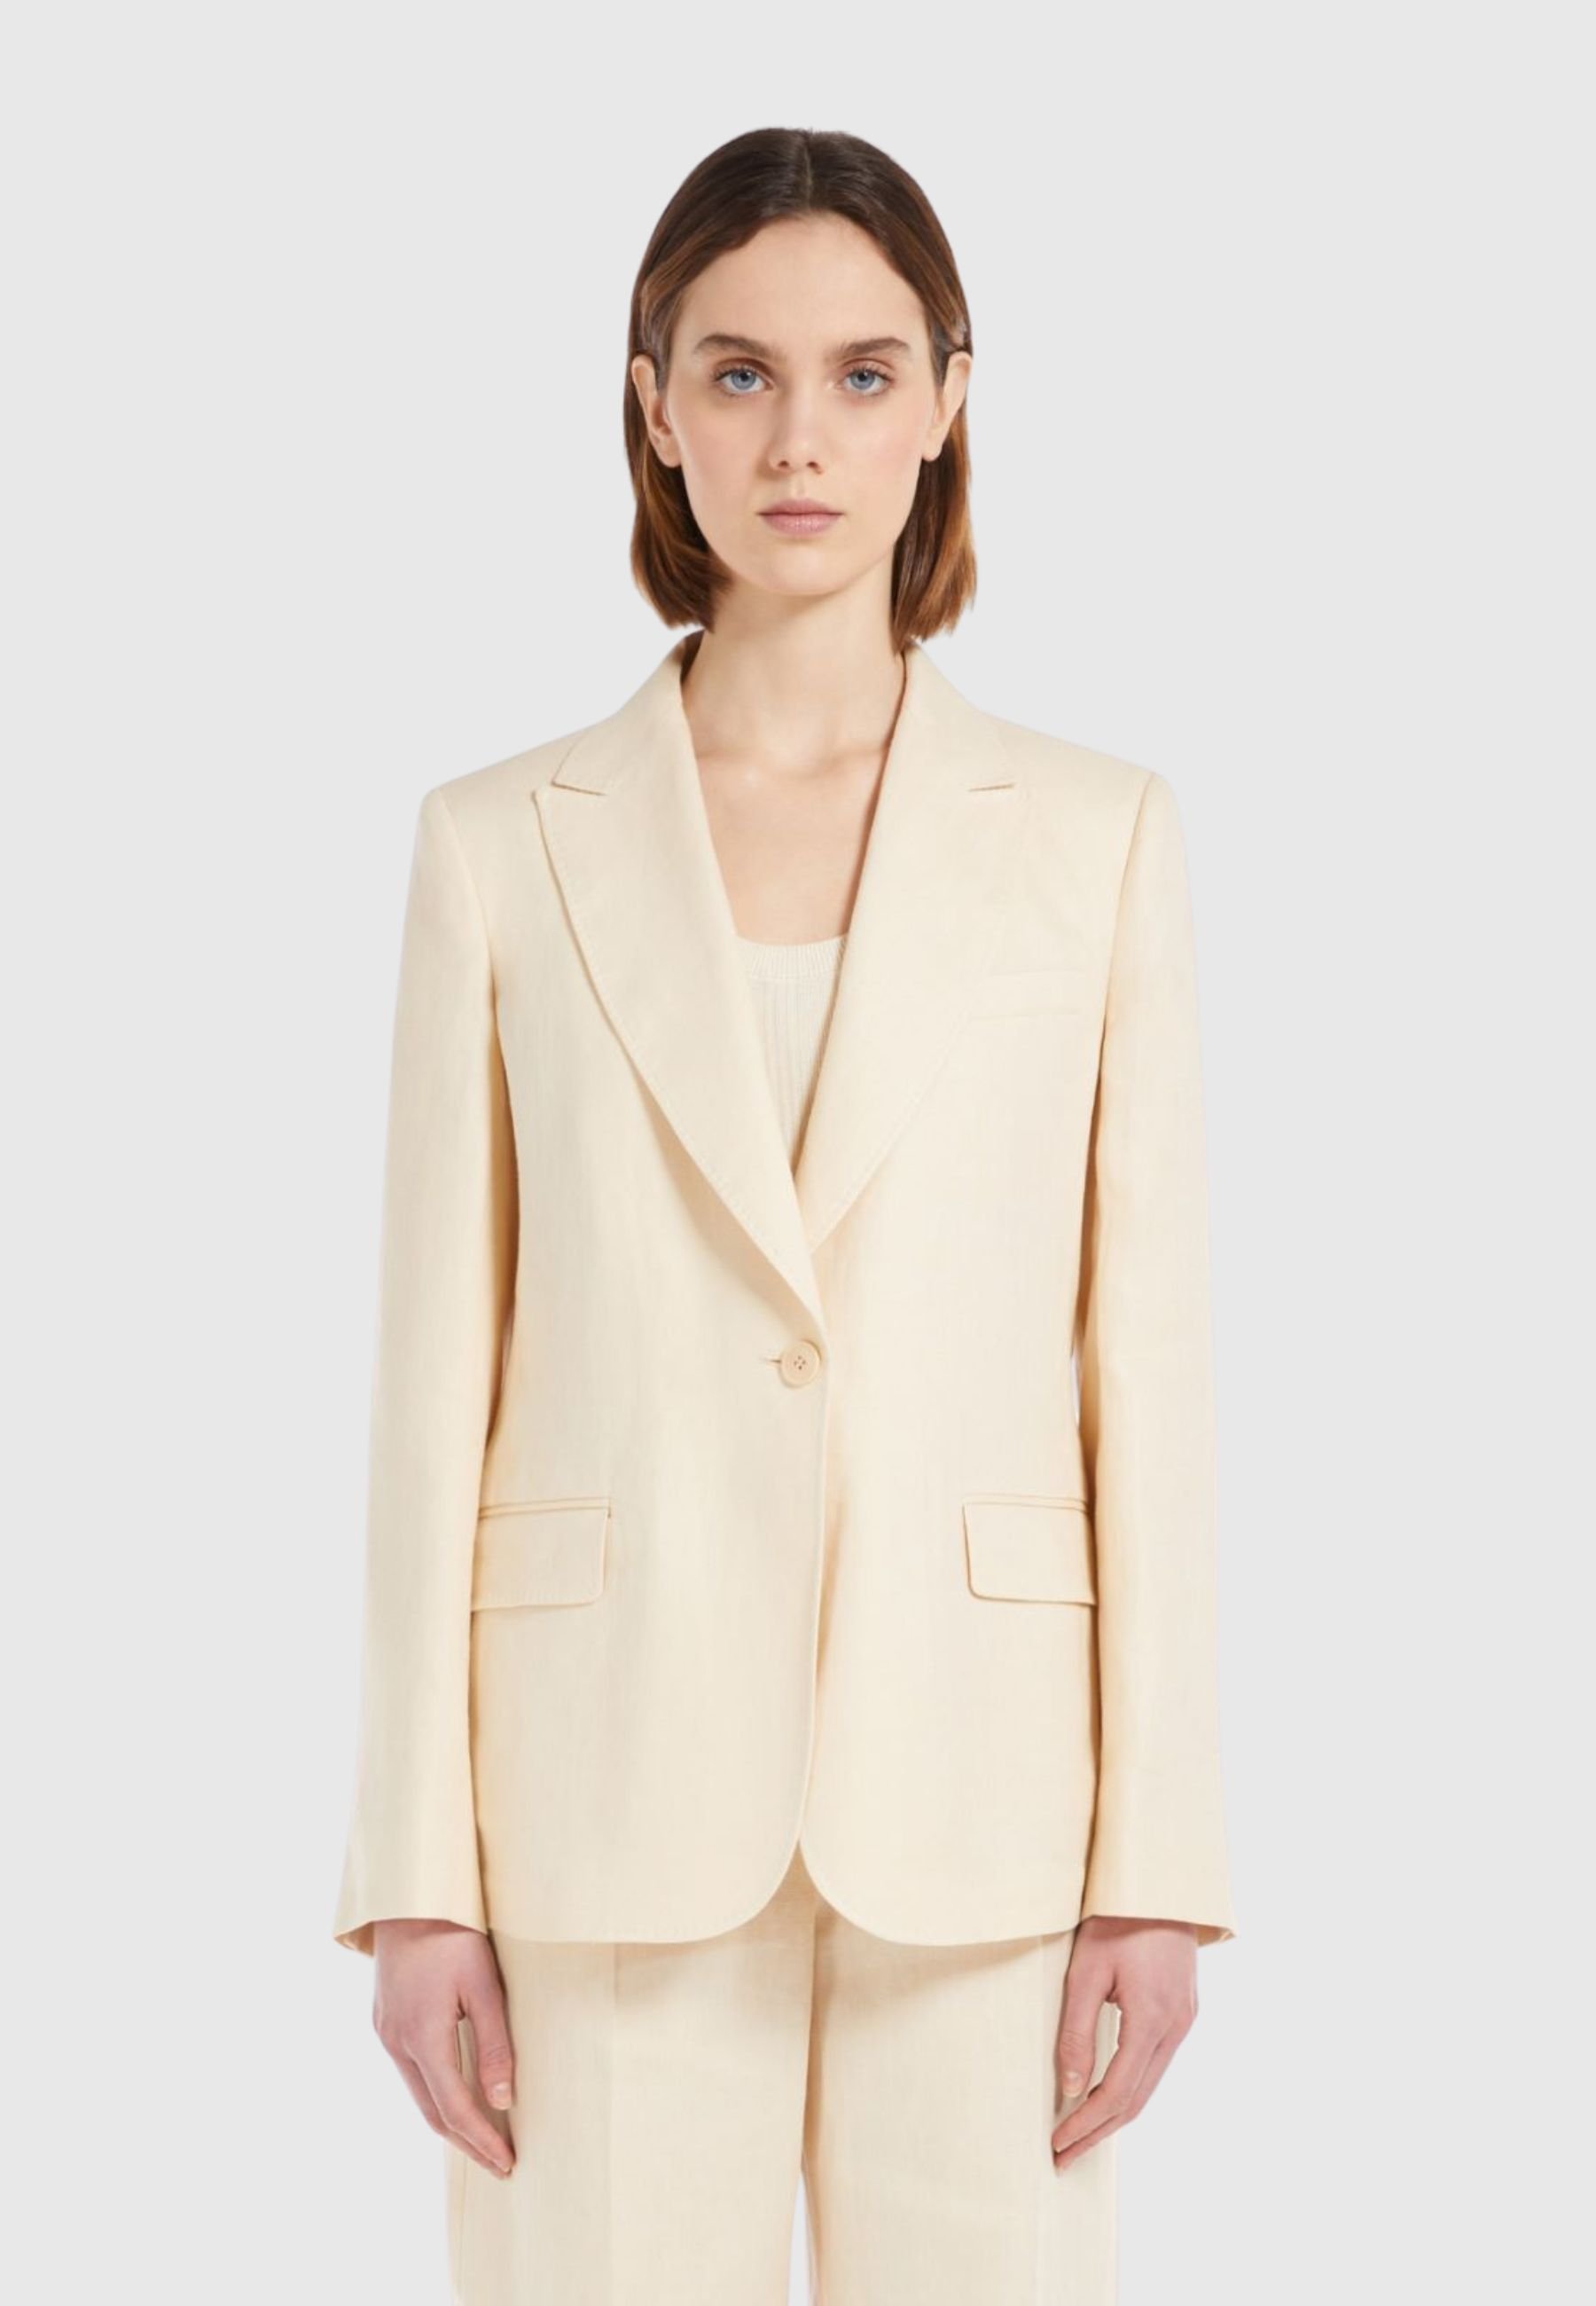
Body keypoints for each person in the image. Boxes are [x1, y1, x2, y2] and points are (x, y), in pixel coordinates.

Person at [332, 123, 1238, 2304]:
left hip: (987, 1799)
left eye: (860, 373)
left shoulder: (1098, 839)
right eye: (737, 373)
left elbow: (1146, 1371)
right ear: (654, 404)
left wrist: (1160, 1859)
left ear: (947, 400)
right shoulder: (499, 847)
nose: (798, 437)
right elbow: (433, 1380)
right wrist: (417, 1873)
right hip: (598, 1797)